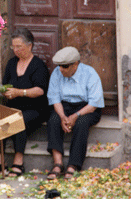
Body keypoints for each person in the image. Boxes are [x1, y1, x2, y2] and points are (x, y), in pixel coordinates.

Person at [0, 28, 50, 177]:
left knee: (18, 120)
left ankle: (18, 162)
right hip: (13, 106)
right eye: (13, 47)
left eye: (19, 47)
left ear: (29, 46)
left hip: (35, 109)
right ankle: (0, 161)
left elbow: (40, 90)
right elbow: (5, 84)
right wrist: (4, 91)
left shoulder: (38, 65)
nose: (16, 50)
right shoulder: (11, 63)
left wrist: (20, 92)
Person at [46, 46, 104, 180]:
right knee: (53, 120)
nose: (61, 69)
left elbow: (94, 103)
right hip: (65, 106)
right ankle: (58, 163)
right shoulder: (57, 72)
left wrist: (75, 116)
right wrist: (62, 117)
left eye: (65, 67)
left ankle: (73, 165)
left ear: (75, 64)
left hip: (86, 107)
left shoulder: (90, 73)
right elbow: (54, 98)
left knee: (81, 123)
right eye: (60, 66)